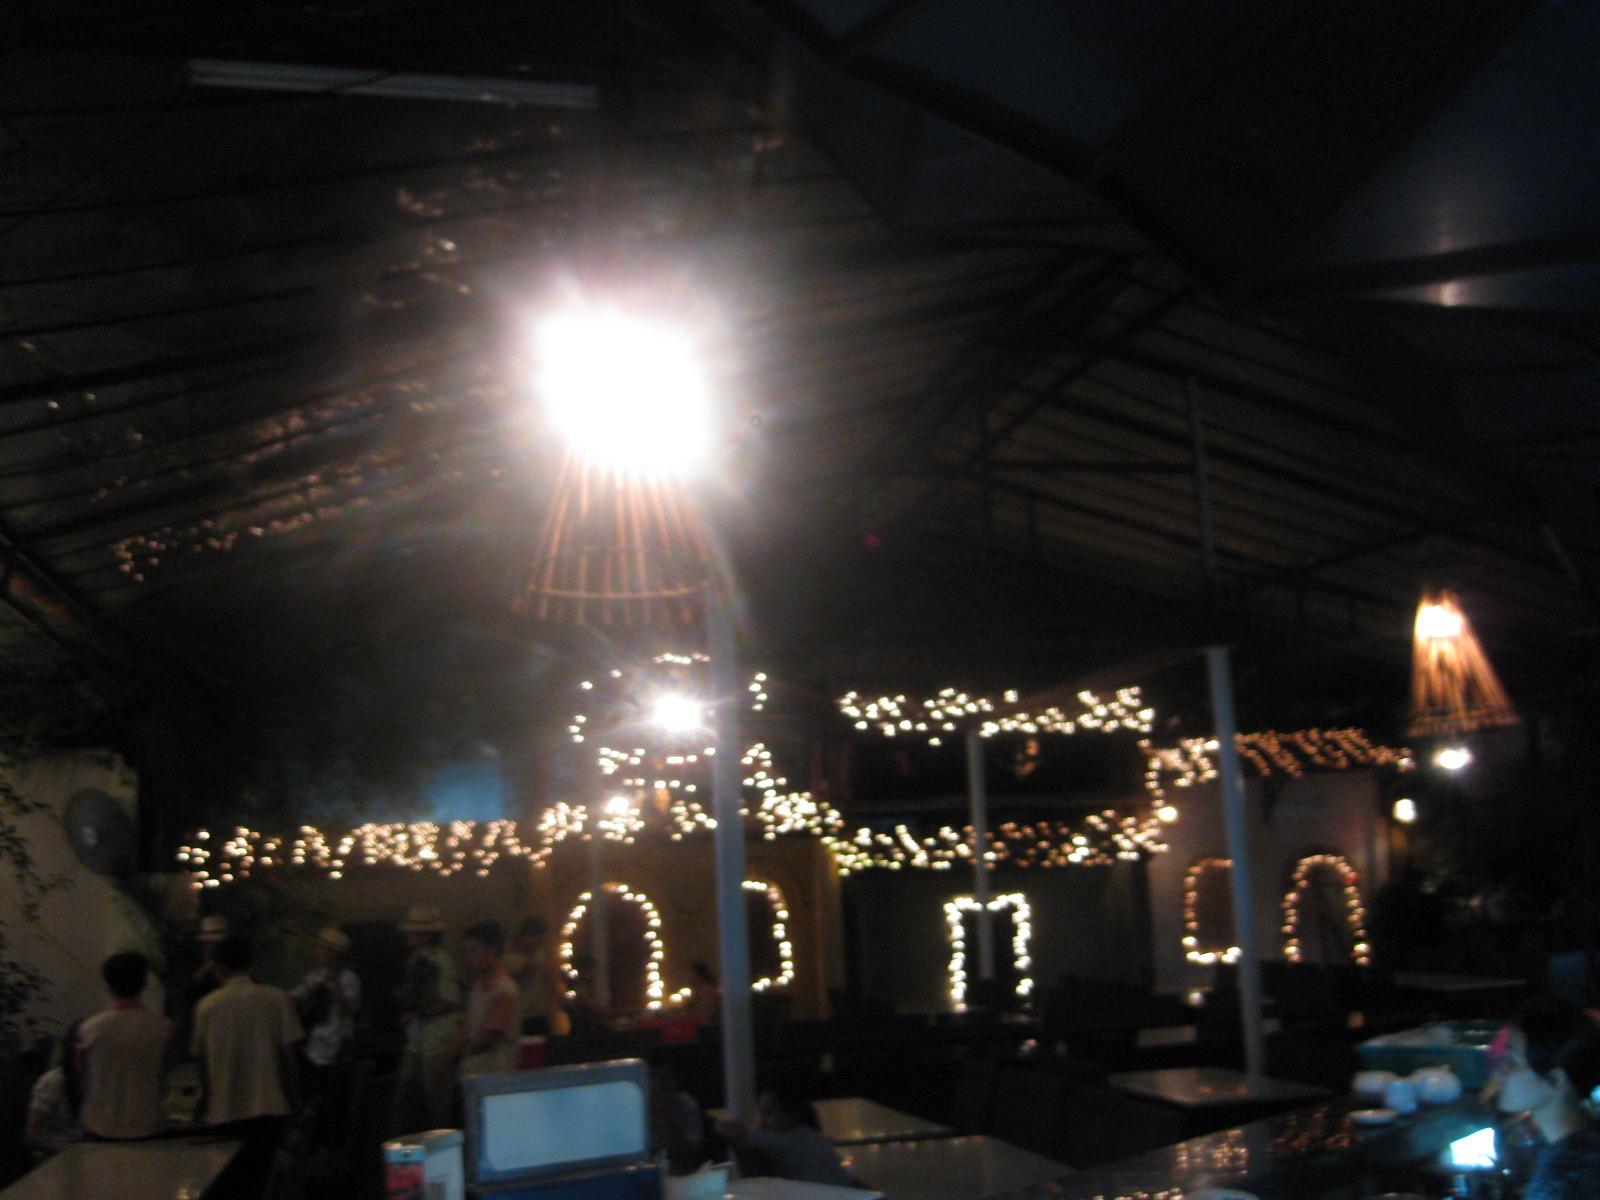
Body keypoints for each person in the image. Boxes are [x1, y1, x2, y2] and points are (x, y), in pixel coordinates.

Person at [191, 934, 304, 1199]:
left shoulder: (207, 1006)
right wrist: (295, 1099)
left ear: (219, 966)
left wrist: (204, 1100)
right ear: (251, 963)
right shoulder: (276, 999)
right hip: (269, 1106)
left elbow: (202, 1061)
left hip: (224, 1109)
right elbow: (289, 1057)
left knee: (227, 1186)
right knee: (262, 1184)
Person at [1493, 997, 1600, 1199]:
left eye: (1512, 1062)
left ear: (1556, 1080)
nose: (1500, 1071)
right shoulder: (1579, 1148)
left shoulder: (1570, 1177)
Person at [77, 951, 173, 1140]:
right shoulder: (163, 1027)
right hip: (149, 1123)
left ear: (107, 984)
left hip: (100, 1125)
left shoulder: (88, 1029)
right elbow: (168, 1066)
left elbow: (81, 1069)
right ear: (144, 982)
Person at [713, 1079, 856, 1188]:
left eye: (768, 1113)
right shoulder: (808, 1136)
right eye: (760, 1113)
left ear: (792, 1115)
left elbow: (738, 1133)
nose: (761, 1121)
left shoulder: (796, 1141)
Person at [393, 904, 460, 1133]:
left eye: (415, 932)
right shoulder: (415, 960)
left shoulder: (441, 962)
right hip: (417, 1038)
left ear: (427, 935)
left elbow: (450, 1000)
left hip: (435, 1040)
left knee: (435, 1102)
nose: (410, 936)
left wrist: (418, 1012)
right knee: (409, 1098)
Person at [289, 926, 361, 1101]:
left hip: (336, 1044)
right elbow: (295, 997)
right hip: (314, 1043)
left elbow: (349, 1009)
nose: (317, 953)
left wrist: (334, 980)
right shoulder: (316, 976)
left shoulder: (349, 978)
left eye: (321, 949)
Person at [452, 920, 519, 1081]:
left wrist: (453, 1057)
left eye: (474, 950)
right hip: (476, 1072)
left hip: (494, 1074)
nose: (469, 957)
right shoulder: (479, 986)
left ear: (492, 950)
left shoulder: (503, 991)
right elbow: (468, 1027)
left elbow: (487, 1039)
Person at [25, 1022, 83, 1159]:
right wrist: (68, 1148)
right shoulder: (53, 1082)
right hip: (55, 1157)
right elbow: (33, 1132)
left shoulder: (88, 1081)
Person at [503, 916, 569, 1037]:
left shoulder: (540, 954)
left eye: (540, 938)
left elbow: (551, 978)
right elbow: (526, 968)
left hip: (540, 1013)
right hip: (518, 1016)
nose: (537, 942)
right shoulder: (509, 957)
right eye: (534, 937)